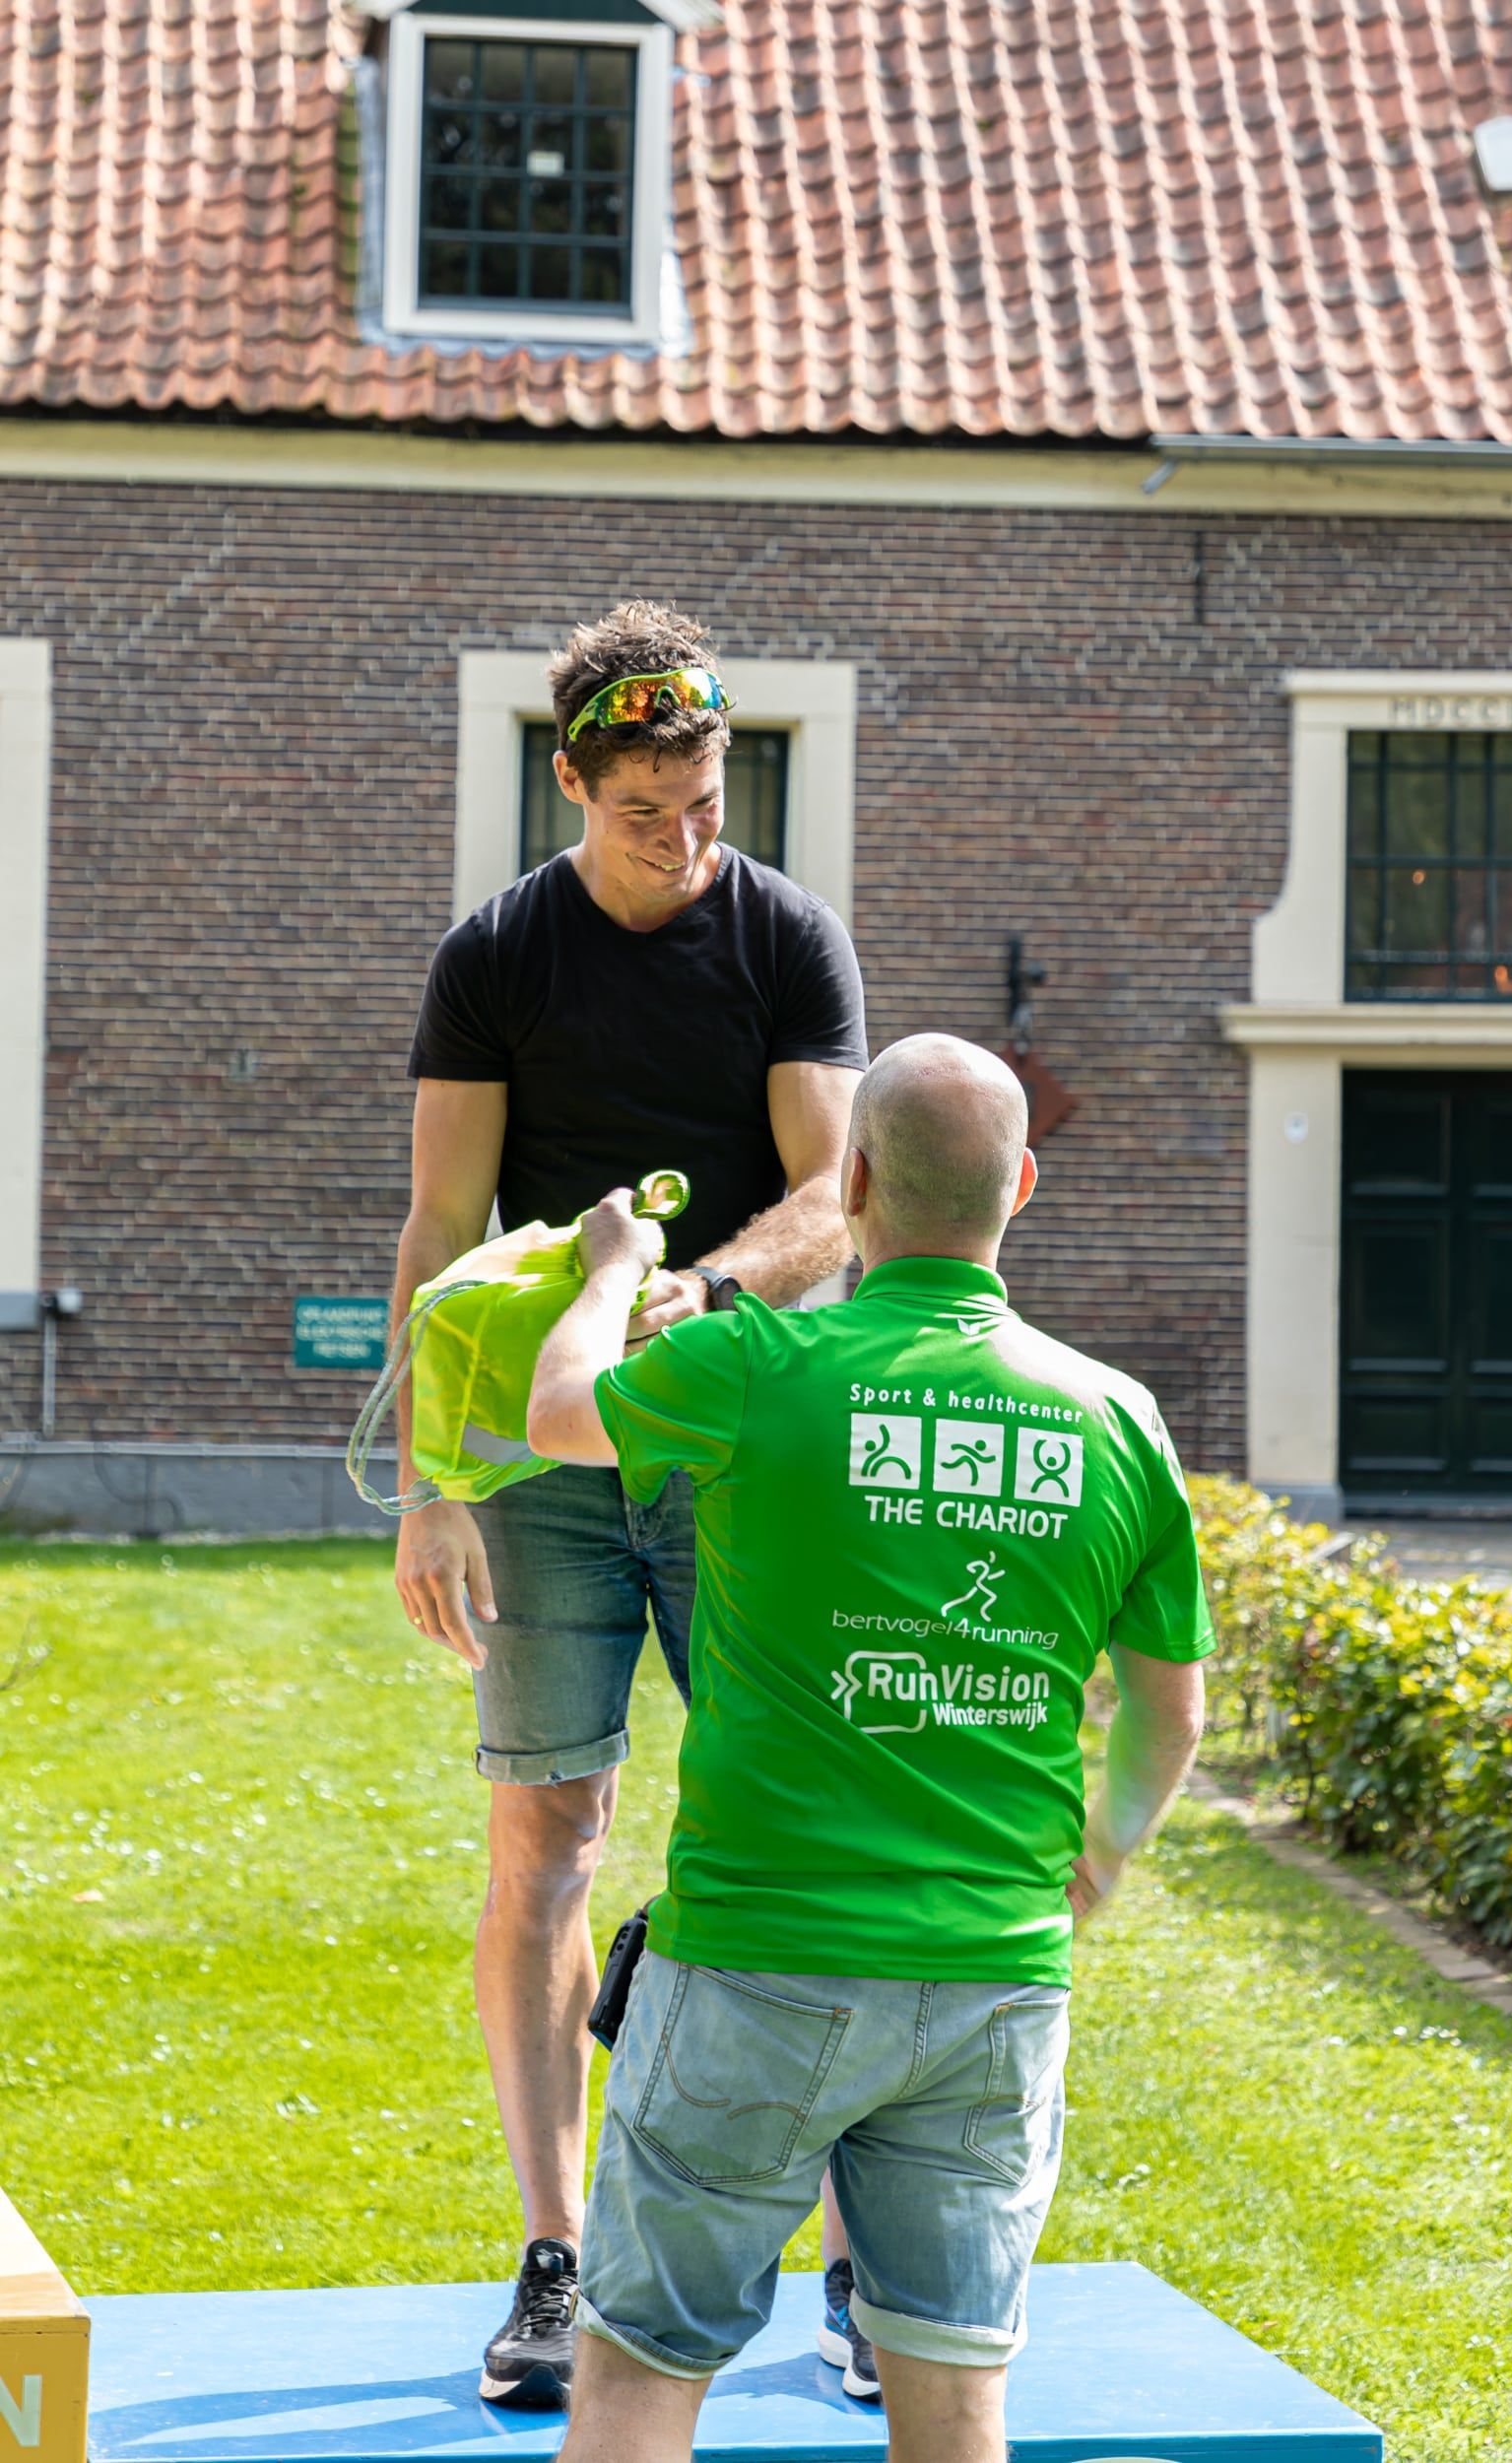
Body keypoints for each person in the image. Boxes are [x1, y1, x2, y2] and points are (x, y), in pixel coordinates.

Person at [525, 1033, 1212, 2463]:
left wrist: (605, 1275)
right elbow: (1169, 1710)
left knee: (640, 2377)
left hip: (754, 1961)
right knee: (953, 2404)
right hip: (994, 1977)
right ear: (1019, 1186)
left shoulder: (756, 1361)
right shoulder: (1117, 1420)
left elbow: (552, 1415)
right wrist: (1100, 1862)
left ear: (850, 1184)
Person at [391, 602, 869, 2405]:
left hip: (736, 1437)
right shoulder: (498, 954)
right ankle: (556, 2254)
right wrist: (434, 1484)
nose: (687, 831)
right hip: (541, 1461)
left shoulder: (785, 938)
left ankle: (850, 2268)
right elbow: (440, 1239)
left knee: (803, 1833)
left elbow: (836, 1189)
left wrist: (716, 1290)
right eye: (647, 802)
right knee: (549, 1839)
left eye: (708, 790)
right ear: (574, 780)